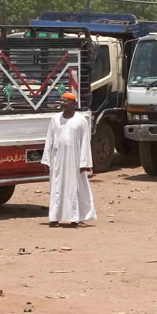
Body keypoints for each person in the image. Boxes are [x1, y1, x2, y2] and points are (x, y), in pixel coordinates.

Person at [41, 92, 96, 228]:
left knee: (73, 187)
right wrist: (47, 159)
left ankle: (74, 218)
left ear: (73, 103)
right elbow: (49, 139)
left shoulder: (81, 120)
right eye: (61, 101)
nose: (62, 103)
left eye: (65, 101)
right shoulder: (55, 119)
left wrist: (84, 163)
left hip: (74, 160)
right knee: (56, 187)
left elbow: (85, 142)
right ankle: (54, 218)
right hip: (58, 159)